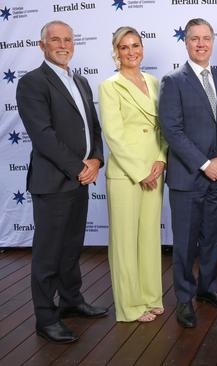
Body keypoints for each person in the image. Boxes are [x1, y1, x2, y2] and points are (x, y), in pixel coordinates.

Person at [16, 20, 107, 343]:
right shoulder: (32, 83)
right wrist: (78, 167)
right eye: (55, 40)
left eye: (68, 39)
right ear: (42, 46)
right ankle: (45, 316)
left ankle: (71, 301)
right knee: (48, 253)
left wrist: (96, 159)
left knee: (71, 248)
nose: (63, 45)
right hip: (53, 182)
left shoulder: (80, 80)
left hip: (79, 179)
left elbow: (92, 128)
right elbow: (43, 136)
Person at [159, 18, 217, 329]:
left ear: (213, 41)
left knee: (213, 238)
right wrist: (206, 164)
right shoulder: (173, 81)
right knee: (186, 242)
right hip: (189, 177)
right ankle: (184, 299)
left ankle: (208, 289)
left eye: (206, 38)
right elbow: (172, 131)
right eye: (195, 39)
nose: (201, 43)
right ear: (186, 42)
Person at [98, 26, 166, 323]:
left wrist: (161, 161)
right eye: (124, 47)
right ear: (116, 52)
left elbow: (162, 127)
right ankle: (130, 306)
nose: (131, 52)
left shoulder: (153, 81)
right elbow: (113, 135)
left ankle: (151, 297)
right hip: (127, 174)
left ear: (142, 47)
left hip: (154, 168)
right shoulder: (109, 86)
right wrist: (141, 172)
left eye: (135, 45)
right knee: (125, 242)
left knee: (149, 238)